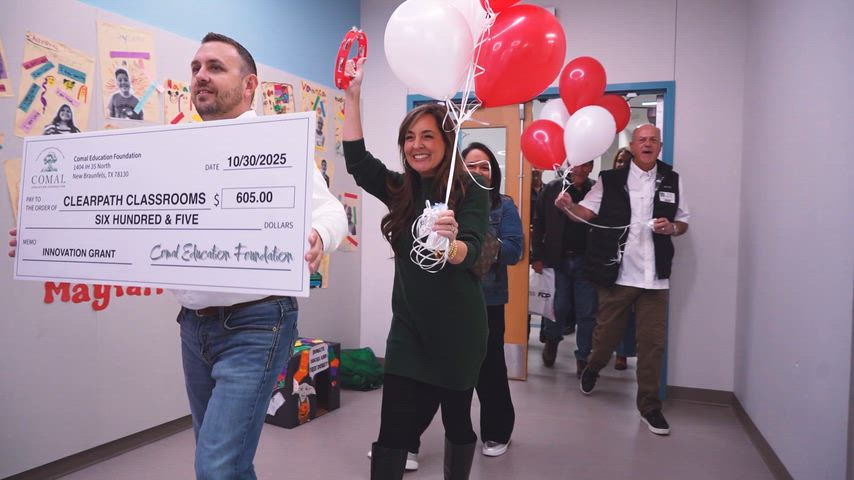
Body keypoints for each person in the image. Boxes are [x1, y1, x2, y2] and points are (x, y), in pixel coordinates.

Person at [343, 57, 490, 480]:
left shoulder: (470, 191)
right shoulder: (400, 190)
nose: (416, 145)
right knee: (393, 432)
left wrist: (452, 245)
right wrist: (352, 95)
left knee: (457, 423)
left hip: (459, 332)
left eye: (427, 136)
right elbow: (356, 161)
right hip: (409, 331)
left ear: (446, 141)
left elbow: (474, 250)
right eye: (409, 137)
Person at [555, 124, 691, 436]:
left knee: (652, 344)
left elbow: (683, 222)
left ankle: (649, 407)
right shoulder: (610, 179)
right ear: (631, 146)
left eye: (652, 140)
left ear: (659, 146)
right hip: (618, 275)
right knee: (606, 337)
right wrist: (567, 207)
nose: (647, 144)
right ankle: (592, 367)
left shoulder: (672, 178)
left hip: (655, 278)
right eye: (641, 140)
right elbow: (585, 214)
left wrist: (672, 228)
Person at [407, 142, 523, 462]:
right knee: (435, 372)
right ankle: (407, 440)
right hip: (448, 301)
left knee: (490, 370)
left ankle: (497, 432)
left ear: (493, 173)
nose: (477, 172)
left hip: (488, 300)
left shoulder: (505, 206)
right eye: (470, 166)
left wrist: (479, 239)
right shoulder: (445, 204)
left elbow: (515, 251)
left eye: (484, 166)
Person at [531, 161, 597, 376]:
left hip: (586, 262)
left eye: (584, 166)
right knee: (556, 308)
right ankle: (552, 341)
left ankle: (583, 357)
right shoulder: (552, 188)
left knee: (586, 312)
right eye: (574, 165)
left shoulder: (595, 190)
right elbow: (538, 222)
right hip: (556, 260)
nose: (578, 170)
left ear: (590, 167)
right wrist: (537, 256)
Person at [611, 147, 637, 370]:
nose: (622, 165)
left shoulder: (639, 189)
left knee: (628, 312)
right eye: (619, 161)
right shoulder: (607, 187)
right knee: (610, 311)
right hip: (609, 259)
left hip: (634, 260)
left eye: (626, 161)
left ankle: (622, 353)